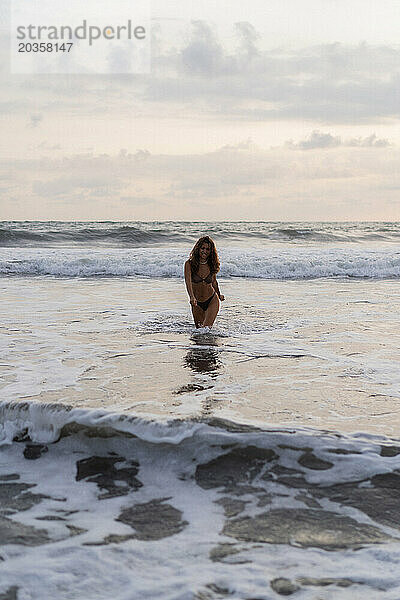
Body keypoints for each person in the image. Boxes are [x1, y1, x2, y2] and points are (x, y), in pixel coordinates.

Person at [184, 236, 225, 328]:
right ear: (198, 248)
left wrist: (219, 294)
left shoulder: (211, 264)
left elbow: (214, 282)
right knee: (199, 332)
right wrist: (192, 297)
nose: (205, 251)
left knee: (206, 329)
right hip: (196, 303)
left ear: (211, 251)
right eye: (203, 248)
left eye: (208, 249)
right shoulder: (189, 264)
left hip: (211, 300)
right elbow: (188, 282)